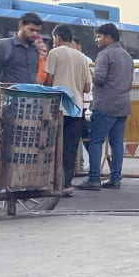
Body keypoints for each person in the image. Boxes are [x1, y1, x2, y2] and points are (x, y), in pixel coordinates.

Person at [75, 23, 133, 191]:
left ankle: (94, 178)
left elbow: (99, 79)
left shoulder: (105, 55)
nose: (97, 40)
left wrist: (89, 73)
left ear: (108, 37)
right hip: (122, 105)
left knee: (96, 142)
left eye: (99, 36)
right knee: (117, 143)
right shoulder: (126, 56)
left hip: (105, 105)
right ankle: (115, 178)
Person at [43, 24, 92, 194]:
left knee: (54, 146)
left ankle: (55, 182)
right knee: (70, 148)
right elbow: (87, 87)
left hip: (58, 108)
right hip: (77, 109)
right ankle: (67, 184)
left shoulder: (54, 53)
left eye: (53, 38)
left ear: (57, 37)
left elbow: (49, 81)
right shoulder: (81, 57)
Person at [0, 12, 45, 84]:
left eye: (38, 31)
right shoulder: (4, 46)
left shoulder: (35, 49)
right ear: (20, 26)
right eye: (31, 30)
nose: (35, 34)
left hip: (29, 94)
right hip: (7, 94)